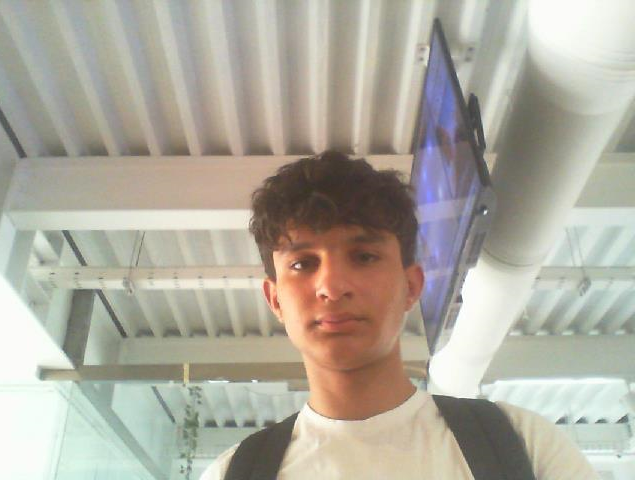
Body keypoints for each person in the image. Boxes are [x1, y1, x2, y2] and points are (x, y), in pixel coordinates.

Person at [201, 151, 597, 479]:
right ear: (275, 300)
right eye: (303, 263)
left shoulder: (523, 446)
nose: (332, 286)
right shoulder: (233, 473)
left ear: (411, 285)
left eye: (364, 256)